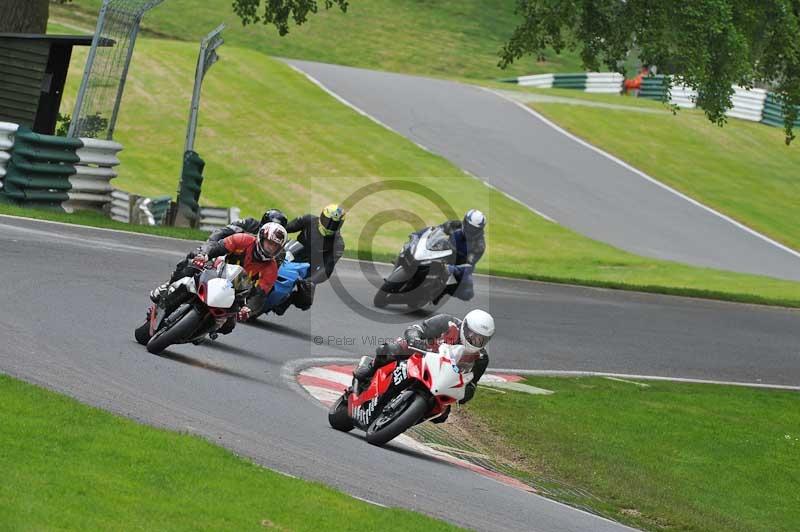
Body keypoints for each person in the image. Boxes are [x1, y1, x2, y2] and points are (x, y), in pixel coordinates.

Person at [353, 309, 495, 422]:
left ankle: (403, 418)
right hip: (420, 355)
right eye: (472, 335)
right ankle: (370, 368)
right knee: (390, 350)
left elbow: (472, 384)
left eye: (480, 339)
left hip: (441, 380)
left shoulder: (481, 359)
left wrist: (464, 392)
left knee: (442, 415)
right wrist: (415, 340)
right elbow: (415, 329)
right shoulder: (447, 323)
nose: (475, 341)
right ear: (465, 326)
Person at [151, 222, 287, 334]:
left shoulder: (271, 268)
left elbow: (260, 295)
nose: (270, 248)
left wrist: (248, 309)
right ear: (261, 238)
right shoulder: (243, 239)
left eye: (275, 246)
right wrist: (204, 255)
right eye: (269, 243)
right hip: (216, 272)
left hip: (235, 292)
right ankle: (168, 286)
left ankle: (199, 332)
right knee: (192, 263)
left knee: (229, 326)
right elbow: (218, 247)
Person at [151, 208, 288, 302]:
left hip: (247, 276)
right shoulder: (248, 224)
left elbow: (269, 274)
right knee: (194, 257)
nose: (271, 243)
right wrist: (206, 252)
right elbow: (221, 233)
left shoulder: (279, 252)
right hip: (225, 253)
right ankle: (169, 285)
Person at [276, 203, 346, 313]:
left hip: (307, 270)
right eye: (328, 222)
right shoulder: (308, 220)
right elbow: (285, 228)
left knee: (306, 301)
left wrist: (311, 281)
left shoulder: (338, 244)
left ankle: (288, 299)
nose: (330, 226)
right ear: (322, 217)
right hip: (290, 253)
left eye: (334, 224)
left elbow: (327, 268)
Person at [412, 209, 486, 302]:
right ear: (464, 222)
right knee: (419, 252)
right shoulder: (455, 225)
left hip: (458, 264)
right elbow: (434, 230)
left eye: (474, 229)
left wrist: (452, 269)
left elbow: (469, 265)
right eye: (469, 226)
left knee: (467, 293)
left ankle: (442, 291)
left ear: (480, 230)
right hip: (444, 252)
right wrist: (417, 235)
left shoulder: (479, 245)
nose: (470, 230)